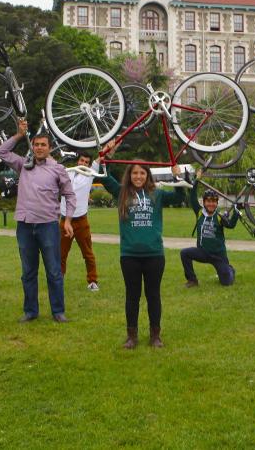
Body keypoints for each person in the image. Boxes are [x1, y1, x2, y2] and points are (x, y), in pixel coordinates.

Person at [100, 139, 184, 348]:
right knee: (132, 296)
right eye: (135, 173)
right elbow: (102, 175)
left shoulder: (157, 194)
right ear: (130, 175)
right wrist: (108, 154)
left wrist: (178, 175)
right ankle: (132, 336)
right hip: (129, 255)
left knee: (153, 295)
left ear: (148, 175)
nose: (138, 176)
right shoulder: (121, 191)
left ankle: (155, 336)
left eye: (142, 173)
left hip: (154, 254)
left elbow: (179, 196)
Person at [0, 121, 76, 323]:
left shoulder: (58, 169)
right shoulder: (23, 165)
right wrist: (18, 135)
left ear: (49, 148)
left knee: (54, 271)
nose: (39, 148)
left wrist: (67, 220)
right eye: (36, 144)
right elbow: (1, 152)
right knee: (28, 272)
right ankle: (31, 311)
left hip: (48, 225)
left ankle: (58, 311)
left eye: (43, 145)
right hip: (24, 225)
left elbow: (69, 195)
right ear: (32, 146)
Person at [180, 180, 238, 288]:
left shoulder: (219, 216)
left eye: (214, 201)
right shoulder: (199, 212)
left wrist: (236, 213)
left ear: (217, 203)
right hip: (203, 252)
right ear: (204, 202)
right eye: (208, 201)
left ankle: (230, 269)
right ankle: (192, 280)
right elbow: (192, 197)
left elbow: (230, 225)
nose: (211, 204)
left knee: (226, 282)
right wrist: (196, 181)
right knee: (184, 253)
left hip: (218, 256)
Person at [60, 152, 100, 292]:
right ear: (77, 161)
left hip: (81, 220)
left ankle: (92, 281)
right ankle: (59, 280)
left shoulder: (89, 174)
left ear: (89, 165)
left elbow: (101, 157)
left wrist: (112, 144)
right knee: (61, 253)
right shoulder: (67, 173)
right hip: (64, 220)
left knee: (88, 253)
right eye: (81, 160)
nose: (83, 164)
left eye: (86, 162)